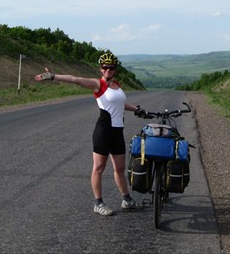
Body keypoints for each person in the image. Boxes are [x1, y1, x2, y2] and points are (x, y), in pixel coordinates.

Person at [35, 51, 147, 216]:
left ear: (115, 69)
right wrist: (53, 76)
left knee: (120, 169)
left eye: (111, 67)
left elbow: (119, 104)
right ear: (100, 69)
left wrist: (136, 109)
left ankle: (127, 200)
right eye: (105, 67)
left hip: (117, 132)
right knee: (99, 168)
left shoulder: (117, 84)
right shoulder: (97, 84)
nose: (108, 70)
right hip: (103, 131)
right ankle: (98, 203)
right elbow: (75, 79)